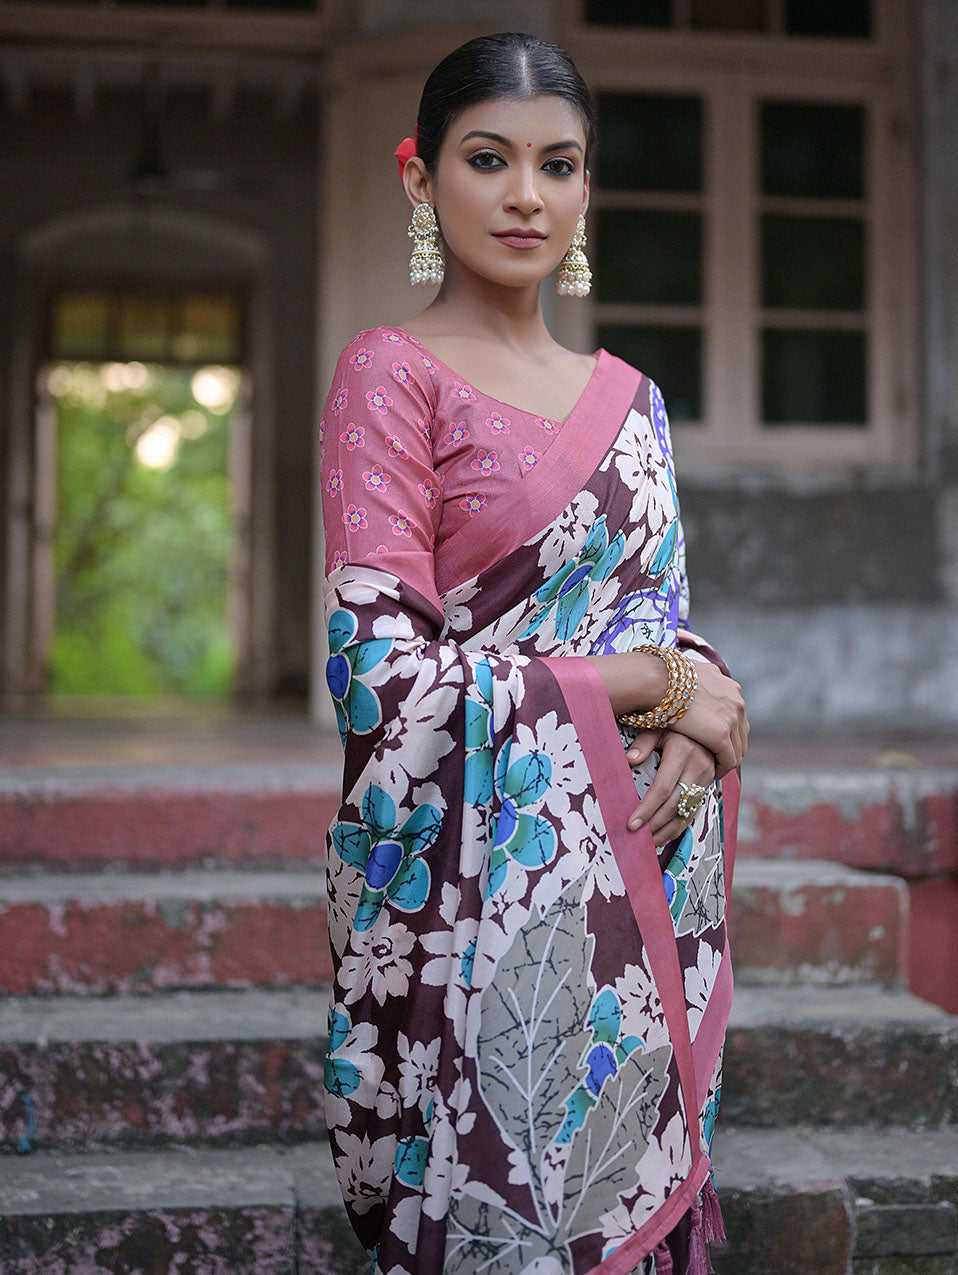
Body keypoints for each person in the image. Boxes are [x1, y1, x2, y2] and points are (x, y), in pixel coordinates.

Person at [319, 31, 749, 1275]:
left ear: (583, 188)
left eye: (556, 166)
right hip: (473, 888)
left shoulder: (635, 400)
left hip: (644, 859)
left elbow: (664, 625)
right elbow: (377, 673)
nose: (525, 195)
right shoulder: (389, 379)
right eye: (487, 159)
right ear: (421, 180)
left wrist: (688, 694)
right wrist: (638, 686)